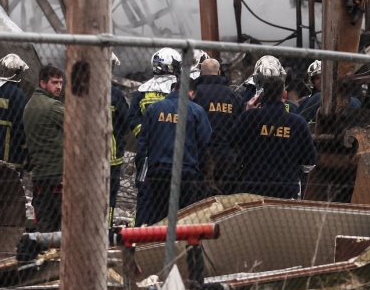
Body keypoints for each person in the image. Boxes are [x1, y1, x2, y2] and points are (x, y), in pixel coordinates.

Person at [134, 80, 212, 226]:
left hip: (158, 172)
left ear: (173, 89)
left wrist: (144, 173)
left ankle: (157, 245)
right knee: (183, 216)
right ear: (191, 92)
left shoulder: (154, 108)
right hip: (185, 173)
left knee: (158, 215)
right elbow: (206, 141)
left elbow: (143, 144)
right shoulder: (196, 110)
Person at [229, 76, 317, 199]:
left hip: (253, 188)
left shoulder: (250, 117)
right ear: (284, 94)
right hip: (286, 189)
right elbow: (310, 159)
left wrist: (247, 113)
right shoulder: (298, 123)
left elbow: (231, 140)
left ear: (263, 93)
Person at [191, 57, 244, 194]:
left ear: (201, 74)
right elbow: (241, 128)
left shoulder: (194, 95)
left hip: (200, 155)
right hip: (227, 157)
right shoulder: (234, 97)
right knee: (225, 200)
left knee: (200, 200)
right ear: (219, 73)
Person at [23, 64, 65, 233]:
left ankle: (44, 255)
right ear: (42, 83)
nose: (59, 87)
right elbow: (79, 125)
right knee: (67, 221)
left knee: (44, 221)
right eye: (54, 82)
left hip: (40, 175)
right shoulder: (53, 107)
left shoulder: (29, 106)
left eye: (61, 83)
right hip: (58, 174)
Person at [126, 48, 182, 138]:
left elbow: (133, 118)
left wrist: (143, 135)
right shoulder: (182, 89)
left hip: (150, 143)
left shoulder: (143, 90)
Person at [108, 53, 131, 226]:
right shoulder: (115, 95)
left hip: (86, 156)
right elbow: (126, 122)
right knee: (109, 194)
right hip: (112, 156)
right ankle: (105, 229)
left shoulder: (82, 91)